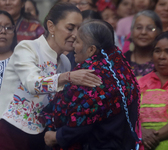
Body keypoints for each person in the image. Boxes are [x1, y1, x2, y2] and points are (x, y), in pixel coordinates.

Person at [0, 2, 101, 150]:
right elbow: (33, 83)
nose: (75, 34)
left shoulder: (65, 62)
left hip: (40, 136)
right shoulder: (27, 48)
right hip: (7, 130)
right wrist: (67, 77)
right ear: (51, 26)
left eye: (79, 29)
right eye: (70, 28)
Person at [43, 20, 141, 150]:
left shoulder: (89, 77)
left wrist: (56, 137)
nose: (73, 46)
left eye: (77, 41)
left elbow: (81, 123)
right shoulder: (120, 67)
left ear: (91, 50)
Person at [138, 31, 168, 150]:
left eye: (167, 51)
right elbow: (129, 116)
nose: (161, 56)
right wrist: (141, 132)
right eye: (157, 51)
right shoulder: (140, 83)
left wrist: (150, 137)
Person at [124, 10, 163, 79]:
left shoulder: (163, 61)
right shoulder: (122, 60)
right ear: (132, 31)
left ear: (159, 32)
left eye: (150, 29)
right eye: (138, 27)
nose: (143, 32)